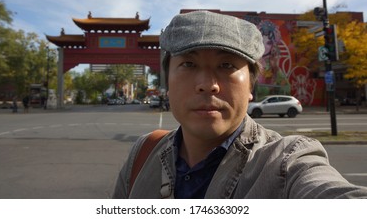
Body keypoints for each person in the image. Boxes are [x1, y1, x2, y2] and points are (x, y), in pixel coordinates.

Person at [113, 10, 367, 199]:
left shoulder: (286, 162)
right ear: (168, 82)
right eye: (188, 64)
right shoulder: (143, 154)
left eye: (227, 65)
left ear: (250, 88)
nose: (207, 84)